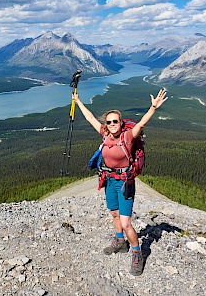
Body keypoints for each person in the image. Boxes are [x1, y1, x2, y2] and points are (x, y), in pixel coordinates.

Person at [72, 88, 168, 276]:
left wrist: (153, 108)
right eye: (109, 122)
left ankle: (137, 253)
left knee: (126, 223)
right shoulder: (105, 135)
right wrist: (78, 101)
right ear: (106, 125)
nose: (112, 124)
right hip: (109, 181)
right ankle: (119, 242)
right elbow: (91, 118)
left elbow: (141, 124)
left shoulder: (127, 137)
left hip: (125, 183)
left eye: (116, 121)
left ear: (121, 122)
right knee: (114, 214)